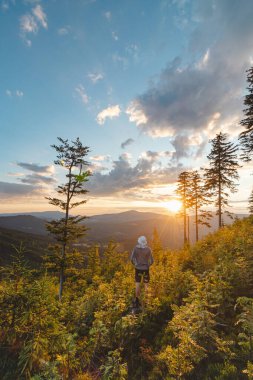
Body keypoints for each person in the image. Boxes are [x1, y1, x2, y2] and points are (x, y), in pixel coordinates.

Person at [130, 236, 154, 308]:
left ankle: (137, 300)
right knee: (146, 285)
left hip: (138, 268)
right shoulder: (148, 249)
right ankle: (147, 300)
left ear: (139, 241)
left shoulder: (135, 249)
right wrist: (148, 265)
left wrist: (135, 264)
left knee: (137, 284)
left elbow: (131, 259)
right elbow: (152, 261)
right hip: (146, 269)